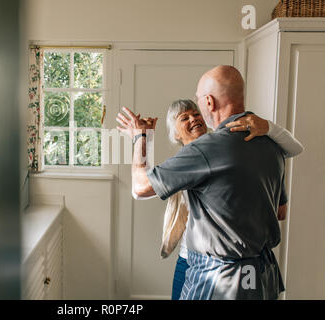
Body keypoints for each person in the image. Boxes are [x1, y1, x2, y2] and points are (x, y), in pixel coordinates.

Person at [116, 65, 300, 299]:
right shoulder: (272, 145)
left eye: (198, 101)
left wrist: (139, 138)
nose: (196, 113)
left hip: (220, 279)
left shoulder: (207, 150)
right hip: (260, 276)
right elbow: (280, 211)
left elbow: (140, 188)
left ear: (209, 102)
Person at [155, 99, 303, 300]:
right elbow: (143, 186)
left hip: (222, 264)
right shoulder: (178, 165)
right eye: (184, 117)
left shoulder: (225, 150)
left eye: (196, 113)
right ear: (175, 134)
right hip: (188, 257)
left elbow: (281, 210)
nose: (194, 119)